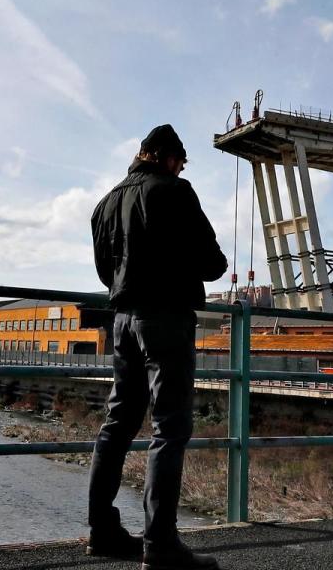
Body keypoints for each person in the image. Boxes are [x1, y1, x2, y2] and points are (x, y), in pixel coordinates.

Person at [88, 124, 227, 570]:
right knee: (169, 426)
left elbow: (103, 272)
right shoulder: (175, 191)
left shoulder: (105, 203)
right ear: (168, 158)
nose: (183, 169)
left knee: (118, 421)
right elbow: (213, 264)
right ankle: (160, 544)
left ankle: (102, 531)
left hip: (123, 319)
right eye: (182, 162)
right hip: (165, 317)